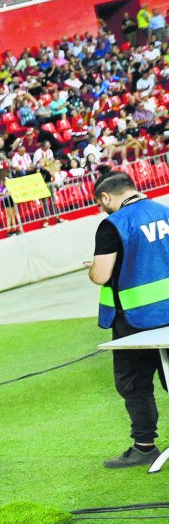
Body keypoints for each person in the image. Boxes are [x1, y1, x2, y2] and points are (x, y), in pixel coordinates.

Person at [88, 170, 169, 468]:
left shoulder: (113, 224)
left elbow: (101, 275)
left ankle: (145, 446)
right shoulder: (164, 211)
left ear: (106, 197)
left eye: (101, 204)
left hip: (135, 321)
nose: (102, 209)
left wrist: (91, 268)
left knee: (134, 383)